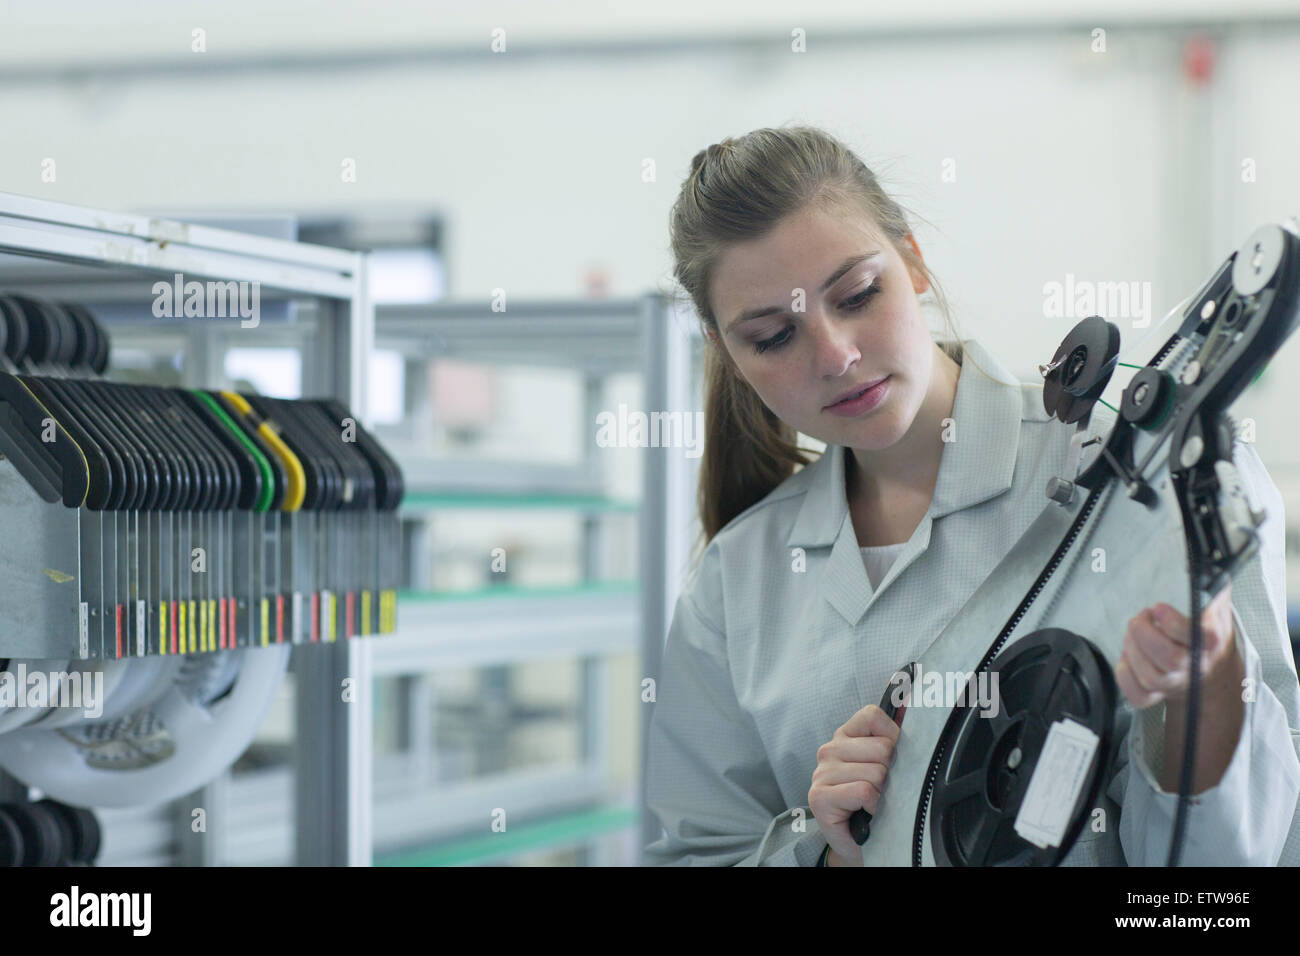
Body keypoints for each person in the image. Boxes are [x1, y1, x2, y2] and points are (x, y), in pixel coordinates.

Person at [643, 125, 1300, 866]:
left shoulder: (1150, 470)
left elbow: (1235, 876)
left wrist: (1202, 693)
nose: (836, 356)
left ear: (914, 262)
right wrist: (825, 857)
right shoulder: (736, 581)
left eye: (858, 294)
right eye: (771, 337)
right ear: (723, 348)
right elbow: (699, 854)